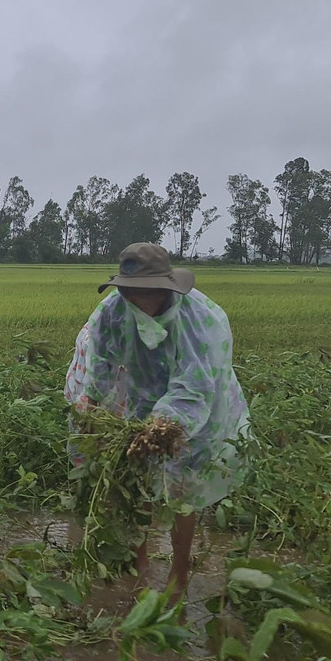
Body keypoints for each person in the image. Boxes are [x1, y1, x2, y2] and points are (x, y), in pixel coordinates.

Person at [64, 242, 250, 596]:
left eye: (143, 291)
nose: (135, 298)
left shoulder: (198, 320)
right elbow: (100, 364)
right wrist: (95, 409)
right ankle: (139, 564)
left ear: (164, 289)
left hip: (199, 409)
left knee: (182, 490)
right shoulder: (112, 311)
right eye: (129, 290)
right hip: (142, 398)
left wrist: (162, 425)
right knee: (138, 479)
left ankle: (179, 576)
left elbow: (194, 386)